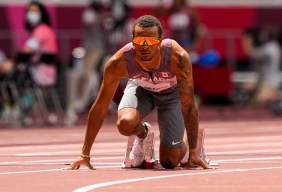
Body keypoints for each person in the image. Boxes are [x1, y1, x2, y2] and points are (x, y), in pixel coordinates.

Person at [65, 15, 212, 170]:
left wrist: (194, 152)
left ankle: (189, 145)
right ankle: (143, 134)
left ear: (160, 41)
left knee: (169, 162)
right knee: (125, 124)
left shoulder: (178, 58)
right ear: (132, 40)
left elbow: (189, 105)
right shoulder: (118, 62)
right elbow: (100, 106)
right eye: (140, 41)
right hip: (141, 89)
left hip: (171, 95)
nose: (145, 46)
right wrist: (85, 154)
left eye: (151, 41)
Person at [242, 26, 281, 106]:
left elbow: (250, 54)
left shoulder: (271, 47)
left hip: (270, 82)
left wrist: (246, 40)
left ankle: (277, 96)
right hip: (262, 80)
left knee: (259, 102)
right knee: (245, 87)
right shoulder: (270, 46)